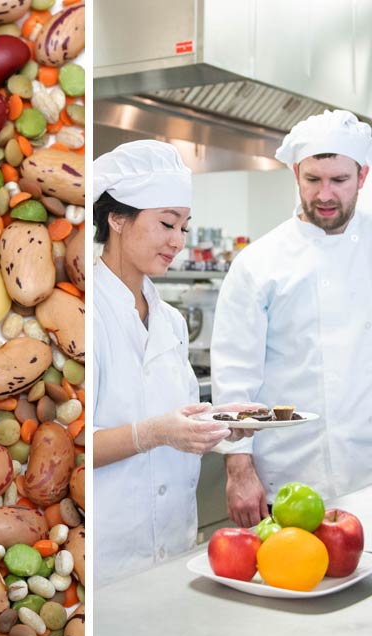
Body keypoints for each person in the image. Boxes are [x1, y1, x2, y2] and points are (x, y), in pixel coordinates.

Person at [92, 140, 255, 585]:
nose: (177, 242)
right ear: (117, 219)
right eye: (167, 223)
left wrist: (224, 422)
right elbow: (70, 445)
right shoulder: (85, 313)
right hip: (105, 554)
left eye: (184, 227)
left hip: (172, 541)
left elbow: (177, 415)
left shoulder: (171, 321)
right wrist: (154, 434)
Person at [211, 110, 372, 527]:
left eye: (339, 180)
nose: (325, 194)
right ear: (296, 174)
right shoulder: (259, 263)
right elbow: (234, 375)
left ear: (363, 176)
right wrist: (238, 469)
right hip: (286, 476)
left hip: (367, 470)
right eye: (313, 180)